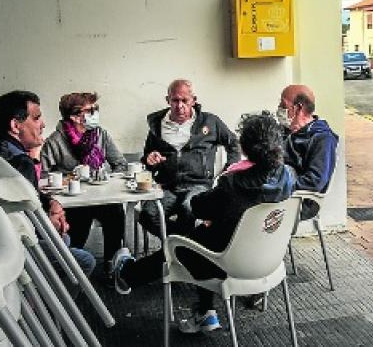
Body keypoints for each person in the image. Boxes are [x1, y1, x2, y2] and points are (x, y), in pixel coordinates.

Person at [113, 112, 296, 334]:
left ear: (246, 149)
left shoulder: (234, 184)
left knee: (176, 246)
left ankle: (127, 274)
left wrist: (225, 184)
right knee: (204, 233)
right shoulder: (287, 177)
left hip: (223, 263)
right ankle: (205, 312)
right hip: (268, 260)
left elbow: (198, 206)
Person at [0, 91, 98, 277]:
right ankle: (51, 305)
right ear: (15, 125)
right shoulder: (19, 162)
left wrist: (50, 203)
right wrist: (51, 222)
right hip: (11, 250)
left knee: (66, 239)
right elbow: (25, 225)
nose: (43, 124)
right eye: (37, 118)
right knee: (85, 261)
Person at [139, 79, 240, 238]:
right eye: (175, 100)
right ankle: (179, 242)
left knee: (189, 210)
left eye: (184, 100)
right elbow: (146, 158)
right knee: (147, 215)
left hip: (198, 185)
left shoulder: (210, 121)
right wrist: (149, 159)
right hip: (167, 186)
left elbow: (234, 143)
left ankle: (179, 248)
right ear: (168, 100)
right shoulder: (157, 125)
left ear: (193, 100)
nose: (179, 106)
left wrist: (230, 170)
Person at [41, 92, 128, 271]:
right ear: (74, 116)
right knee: (80, 218)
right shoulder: (55, 141)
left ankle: (114, 266)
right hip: (72, 200)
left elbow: (120, 164)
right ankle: (73, 267)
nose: (95, 113)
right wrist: (66, 181)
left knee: (116, 210)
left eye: (96, 109)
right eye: (90, 110)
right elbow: (42, 176)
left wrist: (107, 180)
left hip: (100, 195)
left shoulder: (101, 135)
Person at [277, 84, 338, 219]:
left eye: (283, 105)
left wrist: (277, 187)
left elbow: (315, 181)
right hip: (280, 190)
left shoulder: (322, 138)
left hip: (301, 201)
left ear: (298, 108)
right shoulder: (286, 132)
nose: (279, 109)